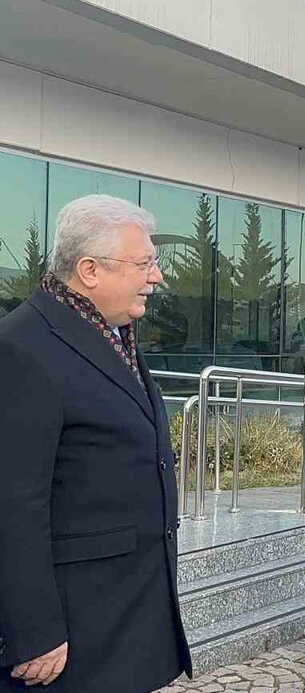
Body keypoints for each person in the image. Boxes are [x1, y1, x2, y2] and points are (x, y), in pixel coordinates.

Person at [0, 195, 191, 691]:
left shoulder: (107, 331)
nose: (157, 276)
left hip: (124, 614)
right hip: (72, 631)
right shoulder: (22, 347)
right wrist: (34, 628)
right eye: (145, 263)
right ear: (89, 270)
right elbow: (13, 502)